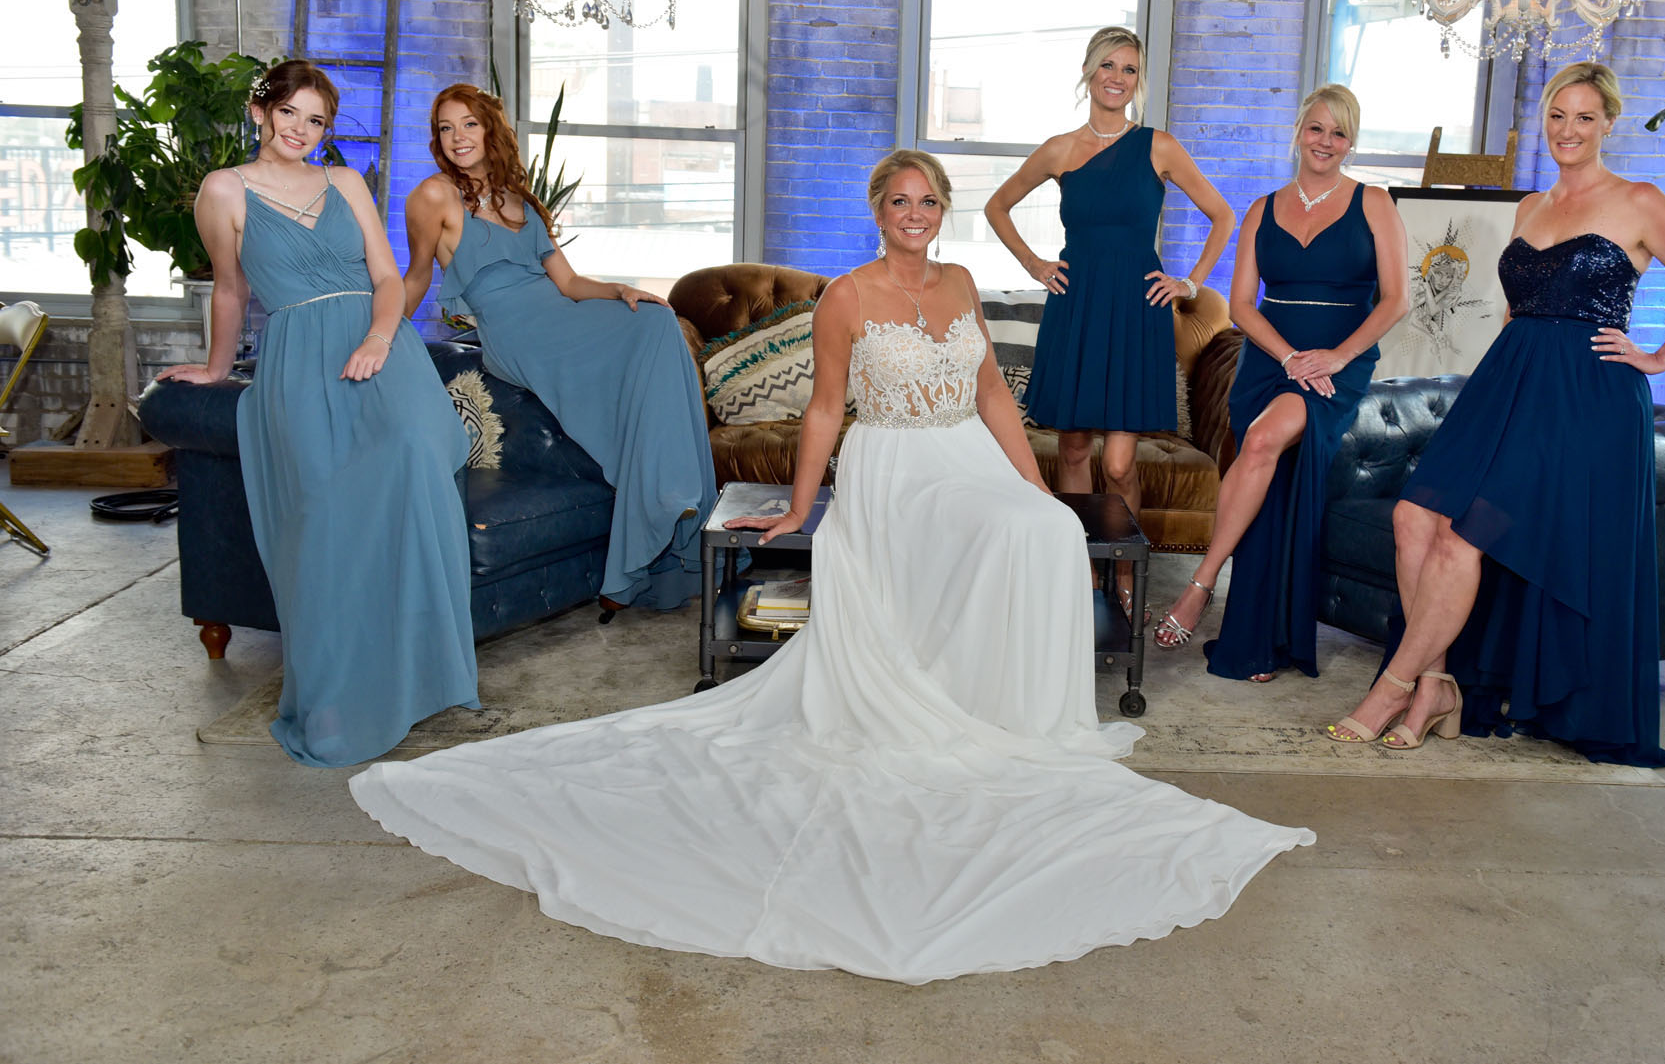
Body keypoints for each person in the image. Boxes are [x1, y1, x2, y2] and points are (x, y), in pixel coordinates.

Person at [350, 151, 1312, 984]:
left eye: (926, 202)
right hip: (894, 463)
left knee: (1046, 535)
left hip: (967, 457)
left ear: (941, 212)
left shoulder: (963, 284)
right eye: (897, 203)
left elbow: (989, 396)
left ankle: (1014, 708)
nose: (913, 216)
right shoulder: (847, 297)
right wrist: (806, 504)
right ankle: (937, 697)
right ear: (878, 212)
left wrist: (1035, 489)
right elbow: (823, 412)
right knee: (968, 536)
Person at [1325, 63, 1665, 763]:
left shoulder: (1637, 200)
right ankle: (1438, 683)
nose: (1568, 130)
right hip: (1512, 380)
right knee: (1411, 515)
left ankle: (1397, 688)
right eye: (1557, 116)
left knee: (1463, 538)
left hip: (1586, 402)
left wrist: (1662, 358)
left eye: (1583, 117)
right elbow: (1520, 311)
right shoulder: (1530, 208)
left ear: (1608, 122)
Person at [155, 59, 478, 767]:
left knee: (417, 467)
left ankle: (422, 679)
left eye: (316, 120)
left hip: (381, 351)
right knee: (324, 520)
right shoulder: (224, 190)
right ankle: (333, 694)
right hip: (300, 361)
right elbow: (232, 289)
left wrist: (380, 336)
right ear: (259, 110)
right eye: (289, 113)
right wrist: (215, 368)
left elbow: (389, 277)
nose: (301, 129)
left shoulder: (344, 181)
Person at [402, 84, 712, 612]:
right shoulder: (432, 196)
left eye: (469, 124)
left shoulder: (520, 202)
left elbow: (568, 284)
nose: (457, 137)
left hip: (558, 311)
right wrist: (383, 337)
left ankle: (669, 499)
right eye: (445, 128)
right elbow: (414, 277)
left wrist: (620, 290)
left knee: (658, 321)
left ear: (491, 129)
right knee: (652, 334)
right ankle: (665, 501)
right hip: (516, 330)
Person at [1153, 85, 1409, 682]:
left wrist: (1335, 358)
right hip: (1271, 358)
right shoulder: (1261, 208)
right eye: (1316, 128)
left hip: (1336, 364)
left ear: (1351, 141)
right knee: (1268, 488)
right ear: (1298, 131)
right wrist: (1290, 356)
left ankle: (1201, 583)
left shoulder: (1373, 202)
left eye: (1339, 133)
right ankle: (1259, 641)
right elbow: (1242, 304)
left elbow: (1395, 300)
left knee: (1264, 442)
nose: (1326, 142)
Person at [984, 26, 1237, 611]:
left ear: (1136, 80)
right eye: (1108, 66)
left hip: (1134, 309)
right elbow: (997, 206)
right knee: (1072, 449)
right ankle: (1081, 569)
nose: (1117, 77)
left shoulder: (1159, 147)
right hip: (1076, 303)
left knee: (1120, 461)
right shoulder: (1059, 149)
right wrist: (1034, 263)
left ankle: (1125, 568)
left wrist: (1189, 281)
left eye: (1128, 69)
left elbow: (1223, 216)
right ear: (1089, 72)